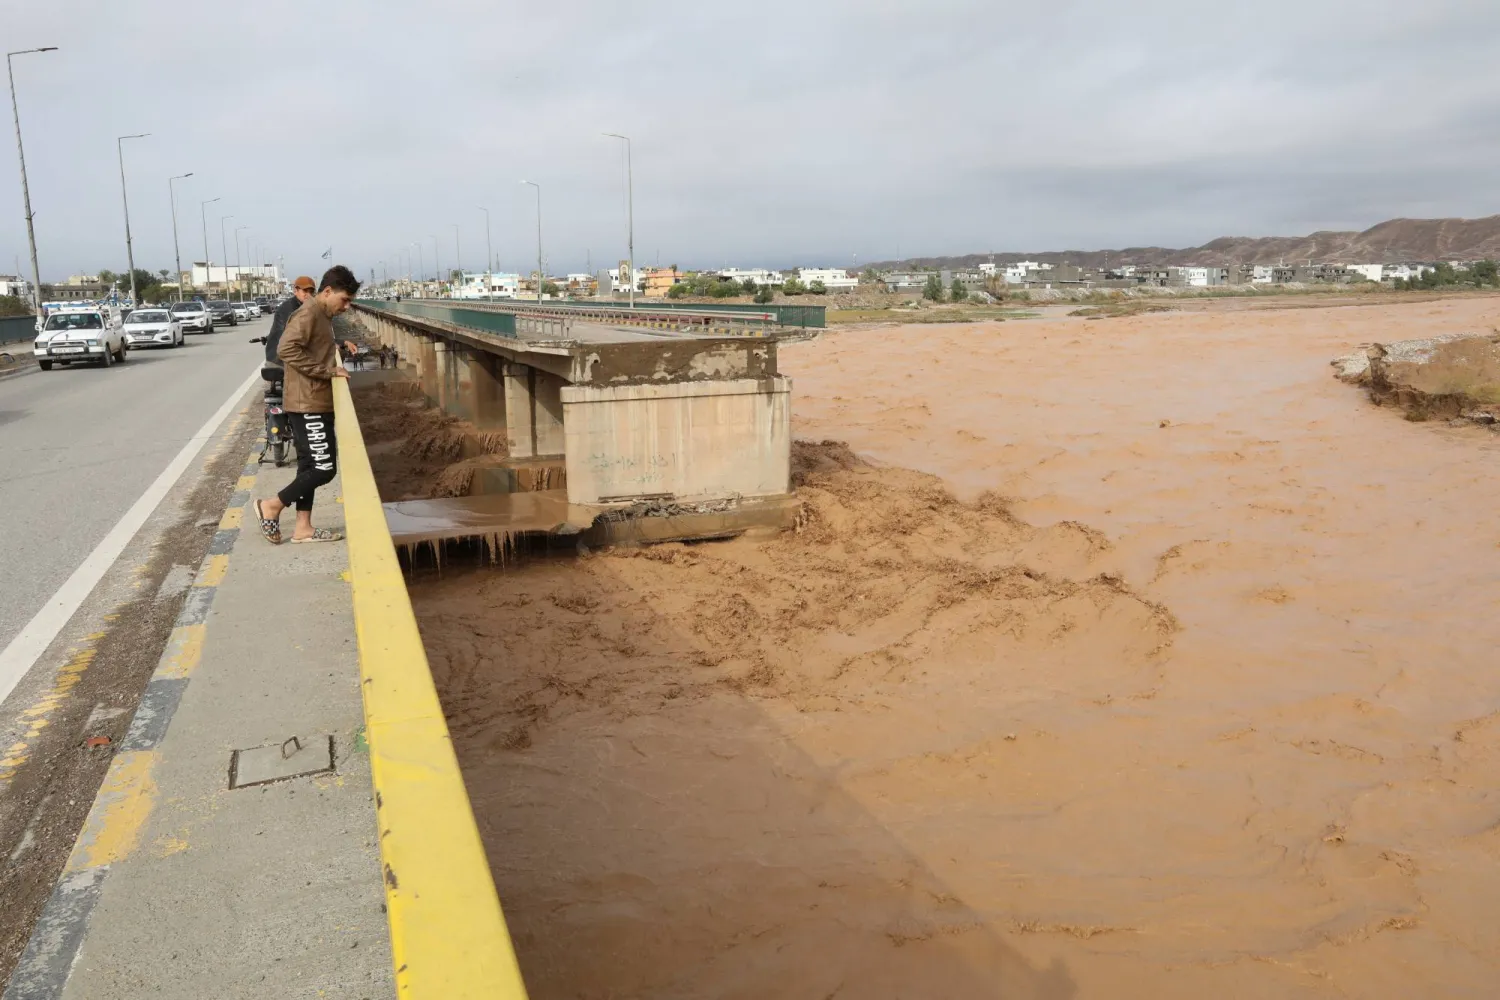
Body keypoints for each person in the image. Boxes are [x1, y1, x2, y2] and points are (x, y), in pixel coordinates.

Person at [253, 265, 361, 544]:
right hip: (308, 403)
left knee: (307, 466)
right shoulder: (309, 313)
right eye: (344, 300)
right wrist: (328, 372)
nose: (346, 307)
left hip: (312, 400)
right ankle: (272, 506)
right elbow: (286, 349)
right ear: (328, 291)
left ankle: (303, 528)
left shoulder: (322, 315)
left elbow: (315, 347)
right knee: (324, 468)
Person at [263, 275, 316, 365]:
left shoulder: (303, 306)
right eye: (305, 291)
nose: (308, 295)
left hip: (286, 357)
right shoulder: (290, 308)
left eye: (311, 292)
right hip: (280, 360)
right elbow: (298, 334)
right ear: (295, 291)